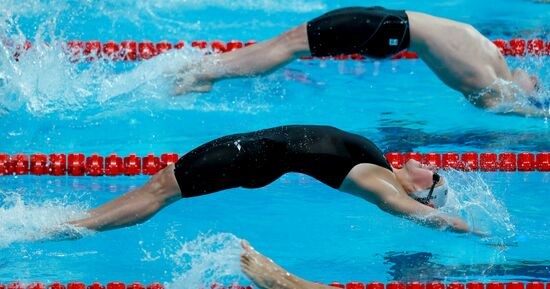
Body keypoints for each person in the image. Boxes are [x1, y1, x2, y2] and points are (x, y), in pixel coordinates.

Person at [67, 125, 480, 235]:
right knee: (162, 185)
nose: (430, 165)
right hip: (258, 150)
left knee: (161, 192)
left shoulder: (385, 186)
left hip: (256, 157)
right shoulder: (380, 166)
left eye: (435, 176)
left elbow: (413, 213)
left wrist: (465, 226)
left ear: (422, 192)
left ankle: (78, 228)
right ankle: (81, 222)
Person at [174, 7, 545, 116]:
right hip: (385, 25)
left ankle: (208, 73)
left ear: (523, 94)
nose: (537, 79)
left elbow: (499, 107)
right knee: (286, 43)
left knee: (288, 46)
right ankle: (210, 69)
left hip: (384, 28)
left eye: (538, 88)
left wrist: (538, 113)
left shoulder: (488, 81)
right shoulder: (495, 66)